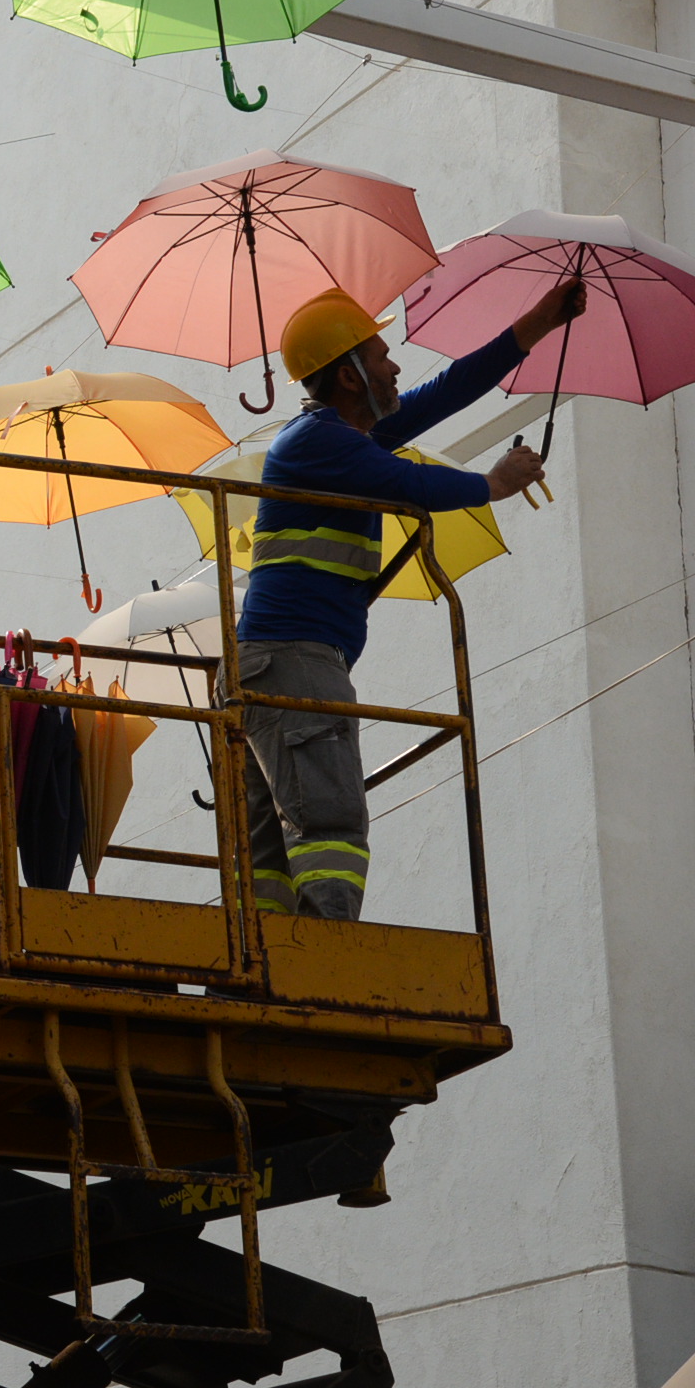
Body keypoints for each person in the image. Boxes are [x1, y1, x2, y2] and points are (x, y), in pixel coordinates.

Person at [236, 278, 585, 921]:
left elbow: (450, 389)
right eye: (379, 356)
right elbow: (405, 481)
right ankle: (326, 959)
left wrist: (537, 322)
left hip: (276, 660)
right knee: (330, 820)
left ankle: (270, 962)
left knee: (275, 851)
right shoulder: (318, 442)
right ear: (348, 376)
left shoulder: (341, 442)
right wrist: (491, 483)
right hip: (295, 659)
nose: (394, 366)